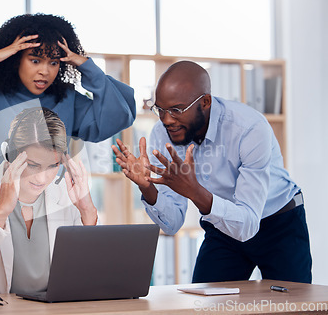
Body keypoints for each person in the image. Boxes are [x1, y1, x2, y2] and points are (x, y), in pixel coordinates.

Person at [112, 60, 312, 284]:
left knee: (294, 305)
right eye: (160, 110)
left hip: (278, 222)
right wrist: (147, 187)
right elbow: (172, 223)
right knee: (204, 305)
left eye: (176, 110)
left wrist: (194, 191)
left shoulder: (249, 128)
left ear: (205, 102)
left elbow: (247, 224)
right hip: (221, 224)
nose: (167, 120)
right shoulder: (163, 133)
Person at [0, 13, 136, 172]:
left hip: (55, 210)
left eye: (53, 62)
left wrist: (87, 66)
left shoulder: (67, 98)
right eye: (35, 60)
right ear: (15, 58)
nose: (44, 71)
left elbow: (120, 115)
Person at [0, 107, 98, 294]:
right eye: (33, 165)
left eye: (53, 166)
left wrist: (88, 213)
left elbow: (86, 281)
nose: (42, 179)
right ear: (9, 154)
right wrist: (0, 214)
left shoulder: (68, 196)